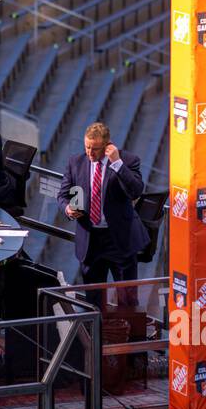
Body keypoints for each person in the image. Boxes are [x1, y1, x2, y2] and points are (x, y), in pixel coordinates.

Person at [56, 122, 147, 307]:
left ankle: (129, 334)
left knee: (127, 299)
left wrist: (117, 163)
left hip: (119, 240)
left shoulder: (128, 161)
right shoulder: (76, 162)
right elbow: (62, 195)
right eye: (87, 147)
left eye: (95, 149)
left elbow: (136, 191)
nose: (90, 153)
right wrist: (67, 208)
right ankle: (97, 334)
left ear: (108, 146)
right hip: (90, 241)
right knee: (94, 300)